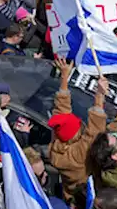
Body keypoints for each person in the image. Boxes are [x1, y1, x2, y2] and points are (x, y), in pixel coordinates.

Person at [46, 57, 108, 196]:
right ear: (75, 134)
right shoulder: (76, 156)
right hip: (84, 197)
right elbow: (94, 133)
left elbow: (61, 108)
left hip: (67, 192)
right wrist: (99, 95)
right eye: (79, 126)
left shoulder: (58, 139)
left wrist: (64, 77)